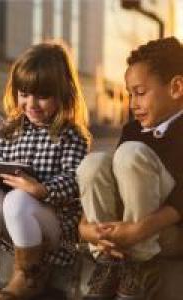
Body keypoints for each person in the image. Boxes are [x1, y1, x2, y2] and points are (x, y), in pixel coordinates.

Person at [0, 42, 91, 300]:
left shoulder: (71, 136)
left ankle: (29, 276)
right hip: (14, 227)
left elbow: (75, 181)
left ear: (62, 93)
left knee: (19, 199)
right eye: (23, 93)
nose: (30, 103)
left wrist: (41, 189)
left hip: (53, 227)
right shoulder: (7, 131)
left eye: (41, 96)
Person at [77, 37, 183, 300]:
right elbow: (111, 179)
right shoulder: (132, 129)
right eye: (129, 94)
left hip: (166, 233)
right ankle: (109, 261)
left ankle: (141, 267)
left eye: (140, 92)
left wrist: (139, 231)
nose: (132, 103)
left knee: (129, 154)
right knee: (95, 162)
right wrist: (85, 228)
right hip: (126, 230)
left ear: (176, 87)